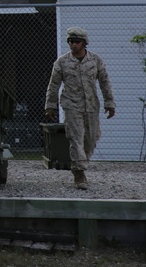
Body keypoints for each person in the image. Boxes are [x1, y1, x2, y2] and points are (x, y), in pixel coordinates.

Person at [44, 27, 116, 190]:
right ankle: (79, 172)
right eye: (70, 41)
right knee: (76, 138)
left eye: (76, 41)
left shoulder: (95, 60)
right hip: (71, 104)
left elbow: (105, 82)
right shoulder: (62, 62)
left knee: (91, 138)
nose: (73, 45)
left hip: (91, 105)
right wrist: (50, 106)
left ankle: (81, 163)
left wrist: (110, 103)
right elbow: (53, 85)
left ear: (84, 43)